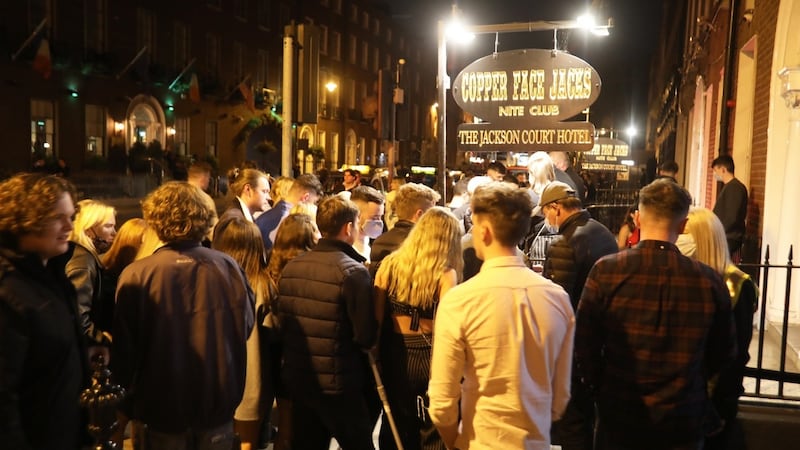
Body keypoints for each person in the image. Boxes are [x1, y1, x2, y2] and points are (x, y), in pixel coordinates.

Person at [575, 179, 737, 450]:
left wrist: (599, 389)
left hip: (620, 412)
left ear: (637, 218)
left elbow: (584, 344)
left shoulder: (607, 271)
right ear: (683, 225)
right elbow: (724, 352)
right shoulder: (708, 281)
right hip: (682, 416)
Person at [428, 183, 575, 450]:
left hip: (480, 440)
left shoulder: (460, 300)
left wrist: (454, 442)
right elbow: (561, 397)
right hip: (535, 442)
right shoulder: (558, 299)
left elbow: (441, 403)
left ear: (484, 231)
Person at [113, 182, 255, 449]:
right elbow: (245, 326)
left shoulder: (138, 274)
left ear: (155, 219)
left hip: (161, 407)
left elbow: (125, 351)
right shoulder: (229, 267)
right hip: (218, 401)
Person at [274, 195, 377, 449]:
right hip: (339, 383)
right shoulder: (353, 273)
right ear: (349, 228)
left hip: (301, 379)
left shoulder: (292, 268)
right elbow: (364, 336)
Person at [0, 173, 88, 449]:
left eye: (71, 217)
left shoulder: (50, 276)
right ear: (23, 220)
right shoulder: (8, 291)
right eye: (57, 218)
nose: (69, 227)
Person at [536, 181, 617, 450]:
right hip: (602, 339)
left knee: (573, 422)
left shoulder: (565, 242)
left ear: (556, 208)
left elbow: (556, 303)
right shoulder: (603, 233)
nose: (546, 219)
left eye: (546, 212)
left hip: (574, 346)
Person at [374, 207, 462, 450]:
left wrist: (376, 358)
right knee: (431, 423)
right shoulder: (446, 274)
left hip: (394, 352)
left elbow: (377, 320)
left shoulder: (389, 265)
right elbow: (447, 326)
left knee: (395, 420)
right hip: (429, 353)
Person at [683, 207, 758, 450]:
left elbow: (736, 351)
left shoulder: (736, 284)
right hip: (685, 396)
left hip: (717, 397)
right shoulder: (688, 276)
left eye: (685, 234)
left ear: (702, 240)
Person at [212, 215, 272, 449]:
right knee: (247, 441)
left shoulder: (209, 280)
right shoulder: (263, 285)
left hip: (214, 378)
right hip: (251, 378)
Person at [266, 213, 322, 450]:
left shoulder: (271, 265)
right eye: (315, 231)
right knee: (302, 428)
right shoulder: (308, 268)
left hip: (277, 356)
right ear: (305, 236)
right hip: (300, 357)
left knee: (285, 425)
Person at [67, 199, 117, 346]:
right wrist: (103, 340)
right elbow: (78, 318)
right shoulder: (82, 262)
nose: (115, 232)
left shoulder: (83, 257)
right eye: (108, 226)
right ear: (88, 229)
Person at [370, 182, 440, 270]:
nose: (433, 218)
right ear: (419, 214)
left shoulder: (378, 242)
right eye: (431, 213)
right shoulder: (426, 245)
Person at [255, 173, 323, 251]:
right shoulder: (290, 223)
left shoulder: (262, 218)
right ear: (305, 197)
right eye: (314, 202)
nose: (313, 207)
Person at [711, 154, 748, 256]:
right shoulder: (730, 187)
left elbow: (731, 216)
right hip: (724, 236)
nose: (714, 174)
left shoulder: (735, 188)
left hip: (728, 237)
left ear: (723, 169)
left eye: (715, 170)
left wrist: (717, 232)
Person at [349, 185, 386, 262]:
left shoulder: (369, 244)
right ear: (357, 216)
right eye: (374, 217)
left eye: (380, 217)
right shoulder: (349, 252)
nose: (379, 222)